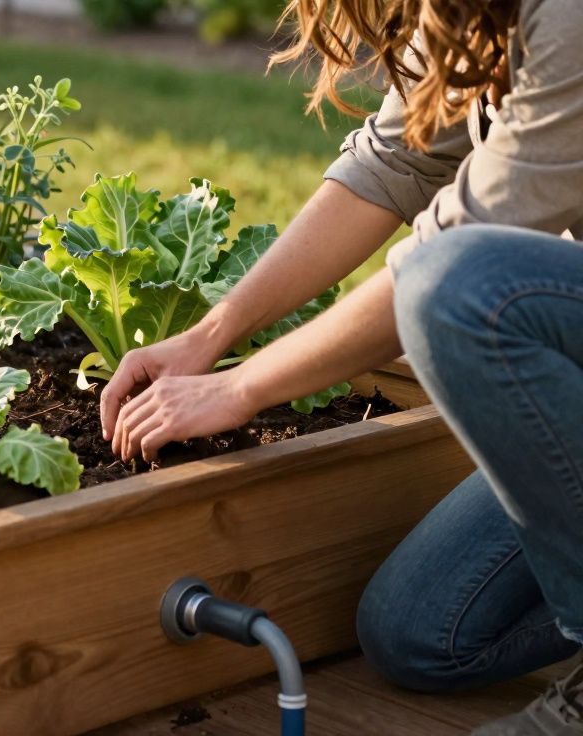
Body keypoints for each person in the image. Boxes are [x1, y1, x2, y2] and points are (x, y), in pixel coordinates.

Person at [98, 0, 583, 733]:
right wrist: (210, 334)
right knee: (420, 631)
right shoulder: (468, 12)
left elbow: (448, 265)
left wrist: (241, 387)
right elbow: (397, 161)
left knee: (458, 289)